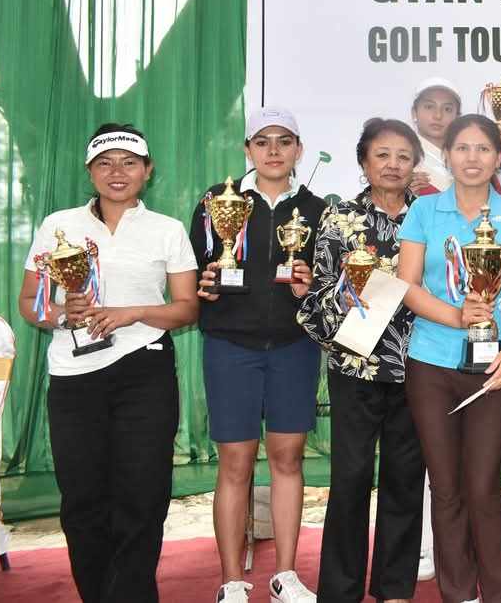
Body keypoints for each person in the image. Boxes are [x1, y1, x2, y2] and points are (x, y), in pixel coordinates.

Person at [17, 123, 199, 603]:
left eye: (129, 163)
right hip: (73, 376)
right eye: (105, 163)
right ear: (90, 171)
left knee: (143, 496)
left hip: (144, 369)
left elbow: (187, 308)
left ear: (147, 170)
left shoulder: (167, 230)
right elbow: (30, 302)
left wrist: (132, 312)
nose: (117, 172)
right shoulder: (58, 225)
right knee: (82, 500)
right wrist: (61, 314)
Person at [189, 108, 325, 603]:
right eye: (262, 141)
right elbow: (196, 270)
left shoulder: (317, 209)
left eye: (284, 141)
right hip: (231, 347)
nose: (273, 150)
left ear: (298, 149)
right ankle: (231, 581)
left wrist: (312, 286)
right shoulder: (216, 201)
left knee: (288, 460)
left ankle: (285, 575)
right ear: (247, 149)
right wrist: (205, 283)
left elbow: (329, 285)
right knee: (235, 464)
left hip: (294, 349)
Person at [397, 114, 501, 603]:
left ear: (498, 158)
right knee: (446, 486)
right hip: (431, 363)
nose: (472, 158)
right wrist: (456, 317)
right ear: (447, 155)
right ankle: (459, 594)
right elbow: (407, 285)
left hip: (494, 366)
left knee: (482, 485)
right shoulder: (423, 211)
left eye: (483, 149)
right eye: (462, 148)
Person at [297, 118, 426, 603]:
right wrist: (347, 298)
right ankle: (340, 590)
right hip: (356, 366)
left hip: (417, 366)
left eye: (403, 156)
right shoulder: (339, 219)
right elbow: (316, 295)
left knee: (405, 479)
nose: (393, 165)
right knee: (350, 479)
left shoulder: (428, 218)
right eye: (382, 155)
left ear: (415, 165)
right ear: (363, 162)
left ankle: (394, 588)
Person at [410, 76, 501, 200]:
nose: (438, 115)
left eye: (447, 109)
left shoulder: (474, 159)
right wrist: (402, 195)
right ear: (414, 112)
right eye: (429, 107)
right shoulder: (402, 160)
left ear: (457, 116)